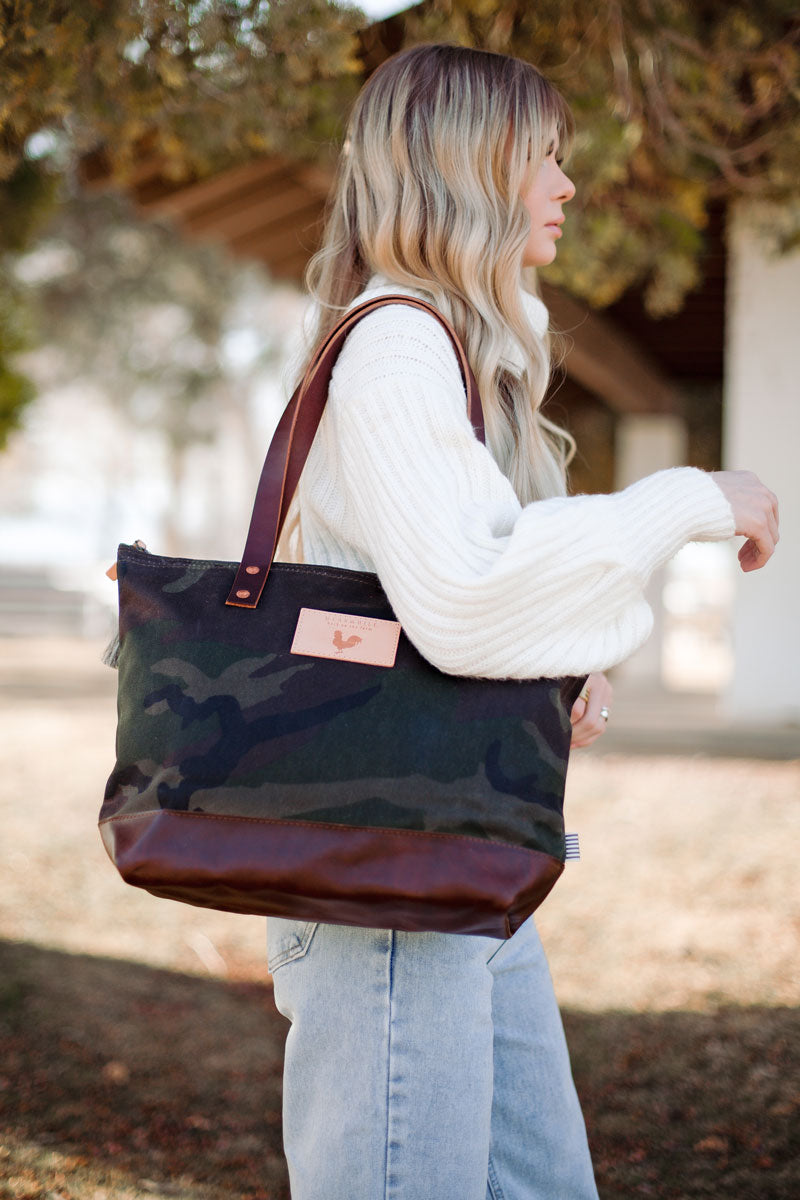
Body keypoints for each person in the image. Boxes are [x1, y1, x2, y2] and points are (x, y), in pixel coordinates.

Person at [268, 42, 779, 1200]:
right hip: (388, 872)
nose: (564, 188)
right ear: (469, 172)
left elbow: (458, 591)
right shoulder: (397, 341)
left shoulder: (450, 349)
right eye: (541, 161)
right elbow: (462, 597)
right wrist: (689, 500)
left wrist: (560, 662)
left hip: (447, 846)